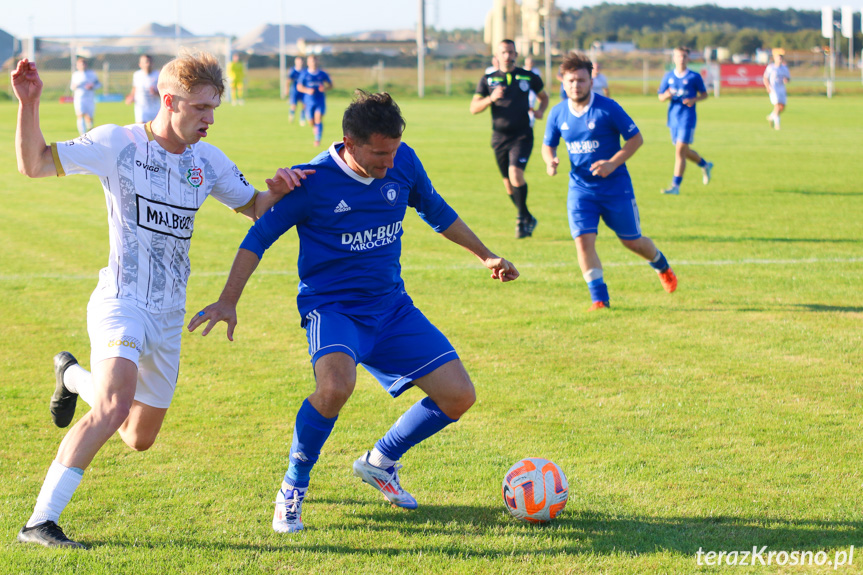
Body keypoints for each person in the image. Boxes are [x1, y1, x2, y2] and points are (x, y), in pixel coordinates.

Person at [11, 52, 312, 549]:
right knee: (111, 408)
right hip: (121, 300)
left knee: (138, 436)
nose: (209, 119)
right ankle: (39, 522)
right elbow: (34, 163)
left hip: (170, 316)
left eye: (214, 108)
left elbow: (255, 207)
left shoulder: (207, 161)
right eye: (199, 108)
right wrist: (30, 102)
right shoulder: (118, 143)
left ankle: (70, 375)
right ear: (168, 100)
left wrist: (276, 189)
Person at [188, 91, 519, 534]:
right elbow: (257, 238)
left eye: (395, 150)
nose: (389, 162)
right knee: (335, 387)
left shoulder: (403, 161)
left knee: (459, 396)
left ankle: (380, 461)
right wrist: (228, 300)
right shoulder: (313, 182)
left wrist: (486, 255)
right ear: (349, 142)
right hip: (334, 309)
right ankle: (292, 488)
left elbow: (435, 210)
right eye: (380, 153)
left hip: (392, 308)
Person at [542, 51, 677, 311]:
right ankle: (599, 300)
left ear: (591, 80)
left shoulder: (608, 108)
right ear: (562, 81)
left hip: (615, 188)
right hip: (580, 189)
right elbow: (548, 145)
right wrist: (550, 161)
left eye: (580, 80)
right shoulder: (558, 113)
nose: (575, 86)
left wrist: (612, 163)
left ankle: (662, 266)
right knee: (582, 240)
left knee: (632, 241)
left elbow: (636, 139)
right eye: (570, 81)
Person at [471, 39, 548, 239]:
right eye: (503, 52)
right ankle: (527, 216)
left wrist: (540, 111)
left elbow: (544, 97)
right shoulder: (488, 80)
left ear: (516, 54)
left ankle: (522, 221)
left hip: (522, 135)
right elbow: (473, 108)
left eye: (511, 52)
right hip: (499, 138)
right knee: (508, 183)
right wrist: (491, 98)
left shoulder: (528, 76)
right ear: (497, 55)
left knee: (515, 174)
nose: (507, 55)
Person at [657, 46, 713, 196]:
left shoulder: (694, 77)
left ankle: (675, 186)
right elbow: (660, 96)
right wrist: (666, 95)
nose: (681, 59)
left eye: (684, 56)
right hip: (673, 118)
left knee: (679, 151)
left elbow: (705, 95)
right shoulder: (668, 76)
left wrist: (694, 99)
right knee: (684, 151)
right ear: (674, 58)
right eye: (678, 56)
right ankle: (705, 164)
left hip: (687, 118)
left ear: (688, 59)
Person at [297, 55, 332, 147]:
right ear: (308, 63)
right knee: (311, 122)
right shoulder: (304, 74)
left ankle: (317, 139)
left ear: (317, 62)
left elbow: (331, 85)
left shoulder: (322, 74)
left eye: (315, 61)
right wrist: (307, 90)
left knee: (318, 118)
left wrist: (324, 88)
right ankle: (314, 128)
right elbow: (299, 87)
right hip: (308, 101)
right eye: (311, 61)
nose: (314, 63)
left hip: (320, 100)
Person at [70, 56, 101, 135]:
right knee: (80, 115)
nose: (82, 66)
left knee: (89, 117)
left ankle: (89, 132)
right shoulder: (75, 75)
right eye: (80, 64)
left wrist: (92, 86)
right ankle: (82, 134)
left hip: (89, 98)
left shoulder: (91, 74)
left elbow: (98, 84)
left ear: (86, 65)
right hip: (79, 98)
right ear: (77, 66)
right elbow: (72, 87)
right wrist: (75, 86)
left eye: (83, 64)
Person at [125, 54, 160, 123]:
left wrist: (156, 93)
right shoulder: (137, 75)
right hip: (141, 108)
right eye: (146, 62)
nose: (148, 64)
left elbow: (164, 92)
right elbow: (135, 88)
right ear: (140, 64)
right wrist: (131, 97)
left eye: (149, 62)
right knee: (141, 128)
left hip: (155, 109)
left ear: (152, 63)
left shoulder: (158, 75)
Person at [764, 49, 790, 130]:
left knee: (782, 107)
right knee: (777, 105)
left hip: (781, 88)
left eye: (781, 57)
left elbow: (788, 78)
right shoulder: (771, 67)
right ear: (775, 58)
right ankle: (777, 125)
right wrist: (767, 87)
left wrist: (786, 80)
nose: (780, 58)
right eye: (778, 57)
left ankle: (771, 117)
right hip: (774, 88)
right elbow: (765, 78)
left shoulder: (784, 68)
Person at [523, 56, 543, 127]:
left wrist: (538, 96)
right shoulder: (522, 71)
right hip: (523, 94)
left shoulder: (536, 71)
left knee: (530, 109)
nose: (530, 64)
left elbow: (539, 86)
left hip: (532, 94)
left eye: (531, 62)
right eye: (528, 62)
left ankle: (530, 125)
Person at [287, 56, 306, 125]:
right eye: (298, 62)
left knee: (304, 104)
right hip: (295, 90)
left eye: (300, 62)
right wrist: (287, 90)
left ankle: (302, 118)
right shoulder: (292, 70)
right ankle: (291, 115)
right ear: (295, 62)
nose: (299, 63)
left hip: (303, 90)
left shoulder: (305, 71)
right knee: (294, 105)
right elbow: (288, 81)